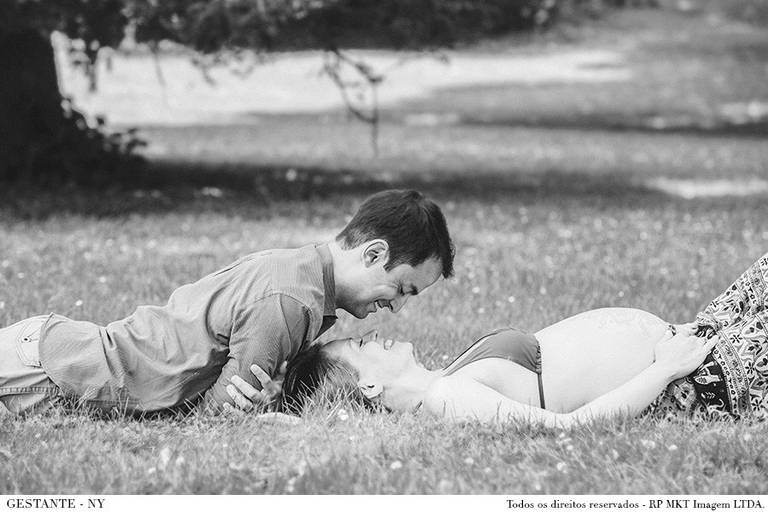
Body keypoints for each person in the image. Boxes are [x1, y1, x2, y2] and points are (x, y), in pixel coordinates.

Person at [0, 189, 455, 416]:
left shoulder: (300, 273)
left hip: (51, 354)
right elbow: (222, 412)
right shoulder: (292, 300)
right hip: (51, 373)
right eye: (402, 289)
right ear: (373, 254)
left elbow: (243, 386)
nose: (397, 308)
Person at [273, 252, 768, 426]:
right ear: (370, 388)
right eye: (360, 347)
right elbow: (572, 428)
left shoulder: (447, 378)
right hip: (702, 378)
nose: (373, 334)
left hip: (692, 339)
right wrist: (665, 369)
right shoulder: (446, 397)